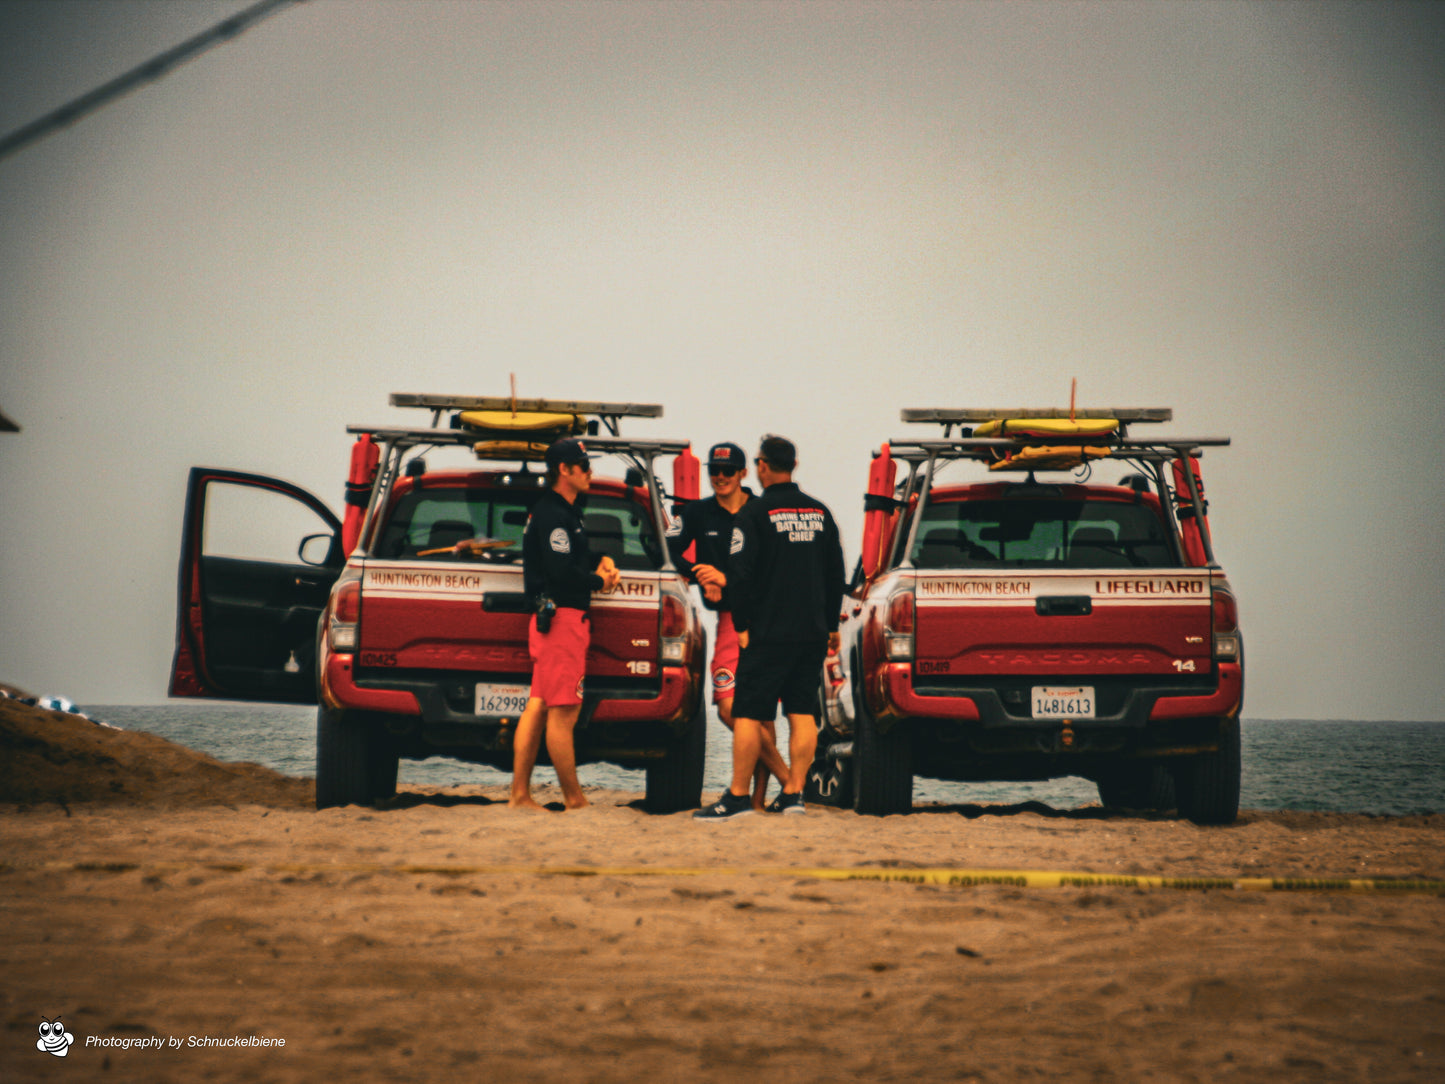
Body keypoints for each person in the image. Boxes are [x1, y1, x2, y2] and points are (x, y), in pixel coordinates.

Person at [694, 434, 845, 820]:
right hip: (811, 631)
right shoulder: (820, 512)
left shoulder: (755, 514)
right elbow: (835, 574)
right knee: (801, 712)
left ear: (761, 467)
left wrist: (742, 625)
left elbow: (740, 577)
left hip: (768, 633)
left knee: (748, 712)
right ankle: (794, 791)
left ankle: (739, 796)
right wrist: (831, 626)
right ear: (793, 465)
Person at [666, 442, 788, 809]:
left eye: (728, 471)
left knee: (761, 713)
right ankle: (789, 779)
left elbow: (776, 571)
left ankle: (759, 800)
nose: (720, 477)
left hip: (767, 621)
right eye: (714, 471)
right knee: (727, 706)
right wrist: (698, 575)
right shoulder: (696, 513)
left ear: (743, 473)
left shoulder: (764, 512)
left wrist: (727, 580)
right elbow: (667, 549)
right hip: (729, 623)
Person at [510, 437, 620, 811]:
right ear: (565, 470)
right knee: (564, 712)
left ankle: (519, 795)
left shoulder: (562, 512)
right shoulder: (553, 515)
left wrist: (601, 558)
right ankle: (575, 800)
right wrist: (599, 581)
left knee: (539, 705)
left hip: (552, 620)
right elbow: (562, 572)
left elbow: (574, 559)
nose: (591, 472)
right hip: (562, 622)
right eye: (584, 466)